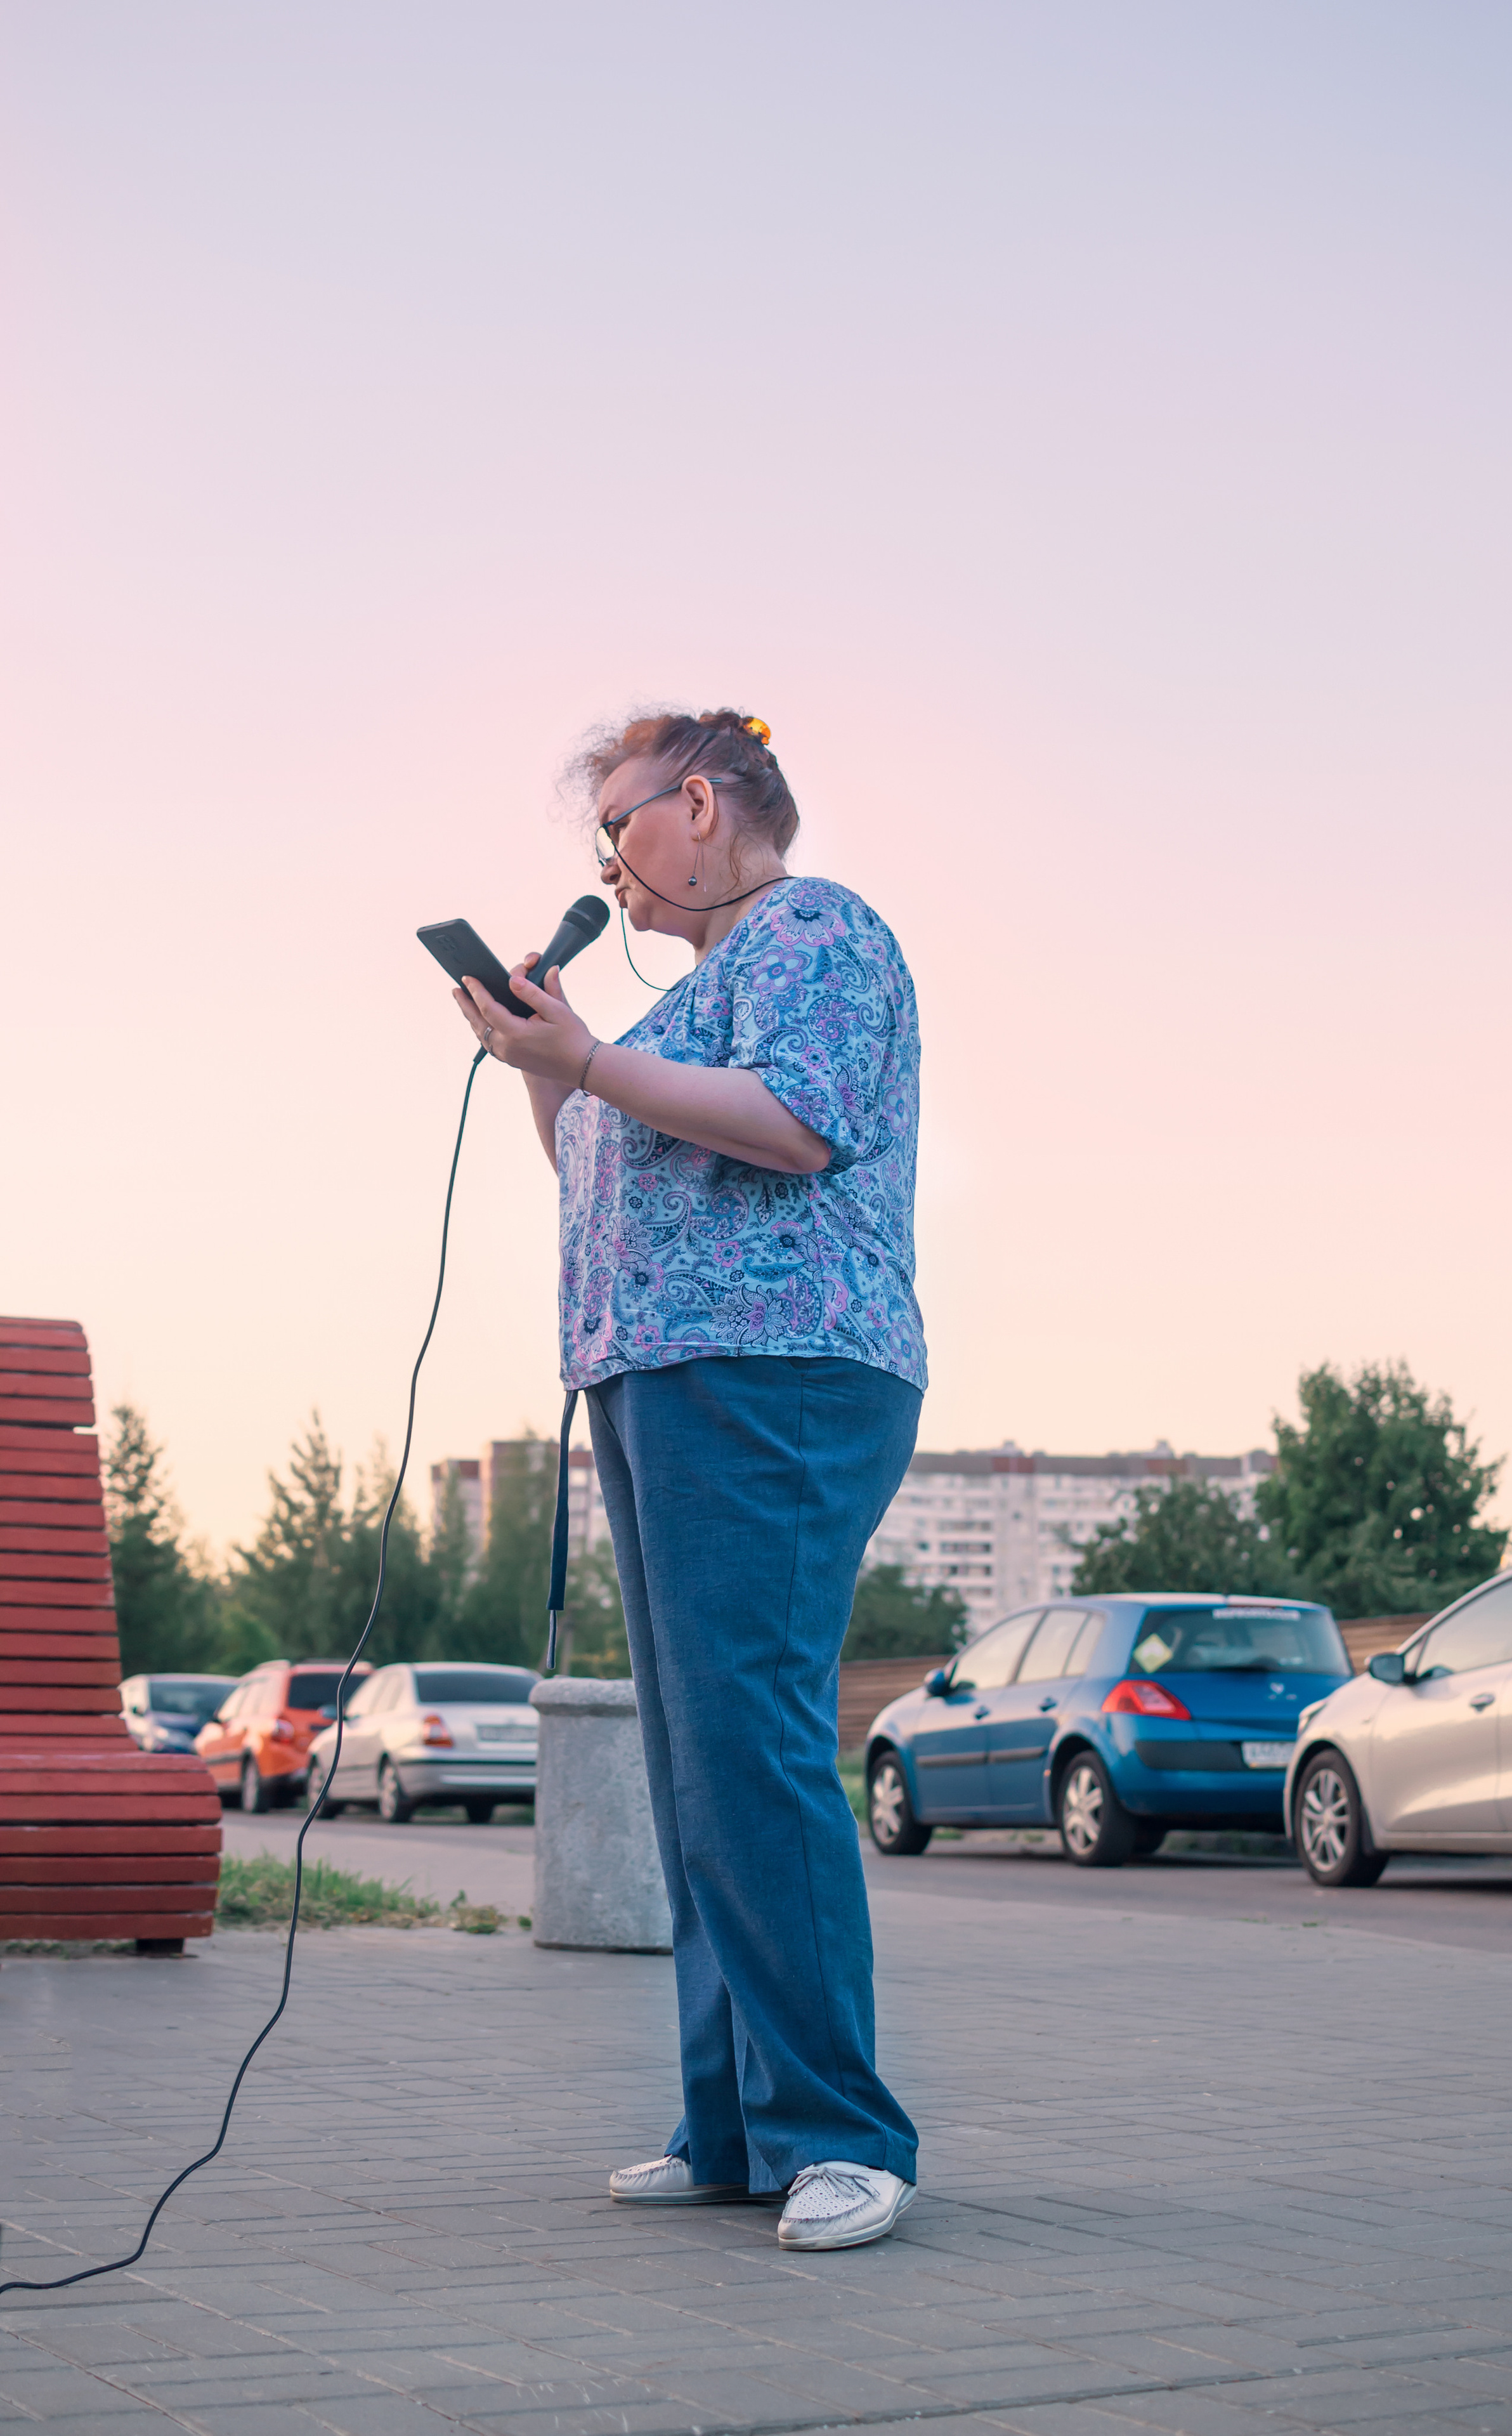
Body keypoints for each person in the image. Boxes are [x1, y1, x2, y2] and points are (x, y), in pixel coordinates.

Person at [453, 708, 927, 2252]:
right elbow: (591, 1148)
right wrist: (551, 1061)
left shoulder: (812, 931)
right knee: (694, 1762)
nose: (610, 865)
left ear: (701, 802)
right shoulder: (693, 1004)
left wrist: (586, 1052)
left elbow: (794, 1128)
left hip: (776, 1368)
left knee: (753, 1742)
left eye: (620, 829)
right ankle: (733, 2125)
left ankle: (841, 2133)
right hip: (662, 1371)